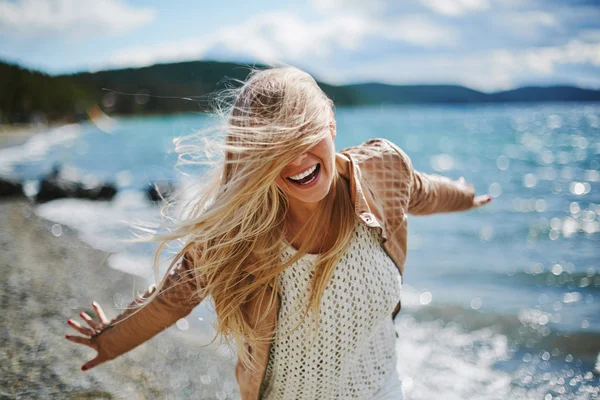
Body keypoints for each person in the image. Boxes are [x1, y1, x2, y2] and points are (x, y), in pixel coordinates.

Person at [65, 66, 492, 400]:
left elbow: (420, 189)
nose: (295, 161)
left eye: (304, 136)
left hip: (381, 387)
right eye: (273, 148)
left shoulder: (381, 173)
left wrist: (465, 196)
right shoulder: (240, 231)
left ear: (331, 124)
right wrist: (112, 339)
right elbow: (174, 297)